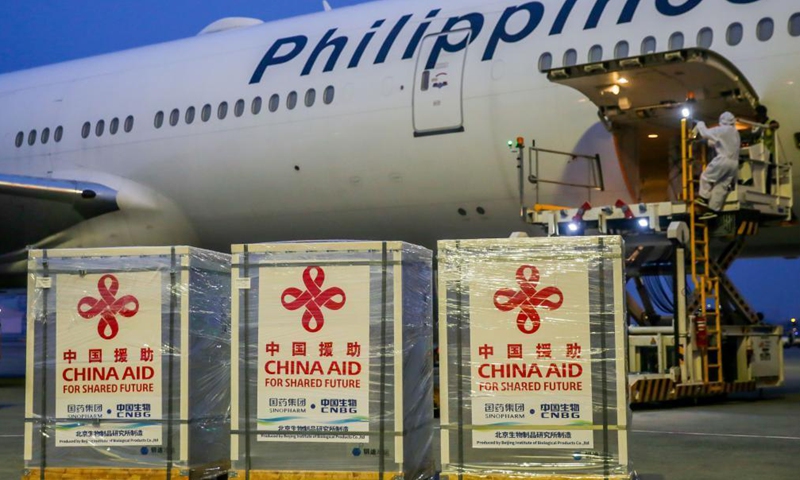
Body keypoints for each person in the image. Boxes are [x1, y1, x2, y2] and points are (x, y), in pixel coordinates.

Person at [693, 111, 740, 220]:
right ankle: (713, 210)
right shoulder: (735, 132)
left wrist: (700, 123)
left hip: (723, 160)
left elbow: (705, 133)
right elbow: (719, 142)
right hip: (734, 163)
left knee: (706, 177)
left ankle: (703, 198)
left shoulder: (723, 130)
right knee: (721, 187)